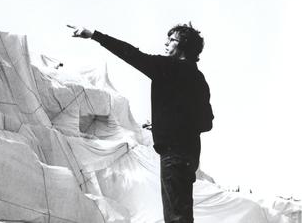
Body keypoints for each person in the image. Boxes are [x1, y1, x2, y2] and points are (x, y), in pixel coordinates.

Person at [69, 23, 212, 223]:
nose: (166, 43)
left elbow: (131, 54)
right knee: (182, 212)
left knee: (176, 217)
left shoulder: (168, 67)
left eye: (172, 40)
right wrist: (169, 122)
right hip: (190, 155)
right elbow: (206, 122)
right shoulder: (199, 79)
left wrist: (94, 35)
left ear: (183, 46)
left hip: (173, 153)